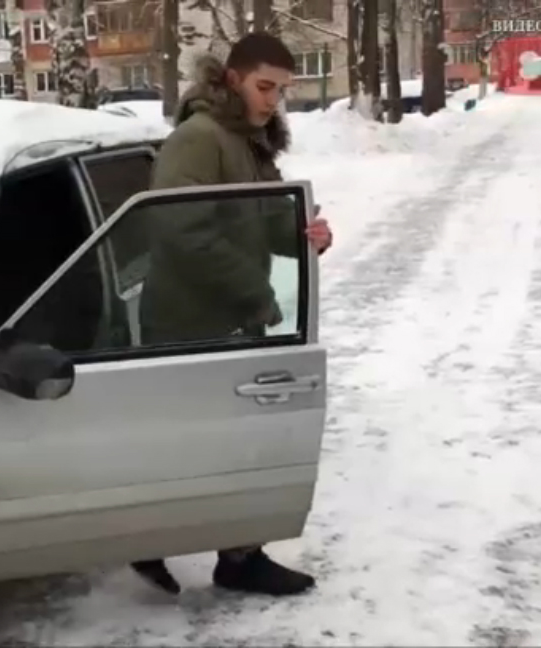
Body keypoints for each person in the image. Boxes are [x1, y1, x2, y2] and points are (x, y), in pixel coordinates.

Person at [130, 32, 333, 597]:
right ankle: (140, 539)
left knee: (239, 445)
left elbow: (264, 221)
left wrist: (306, 234)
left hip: (231, 318)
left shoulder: (248, 141)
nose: (273, 100)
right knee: (180, 446)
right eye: (265, 87)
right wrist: (253, 291)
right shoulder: (199, 139)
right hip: (187, 323)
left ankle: (240, 557)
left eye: (282, 90)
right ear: (233, 78)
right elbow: (182, 230)